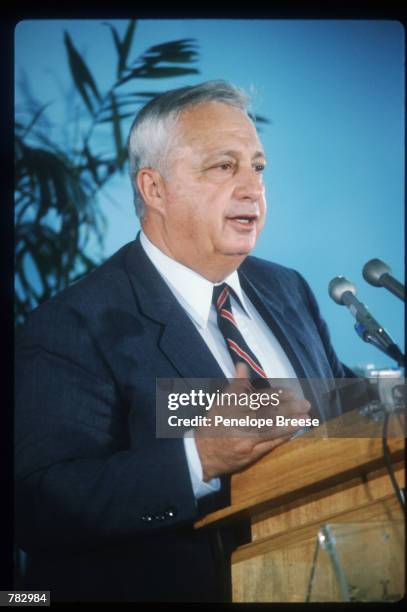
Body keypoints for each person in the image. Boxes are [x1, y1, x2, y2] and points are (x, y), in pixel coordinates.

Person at [15, 80, 361, 603]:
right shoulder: (75, 324)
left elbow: (336, 402)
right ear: (153, 189)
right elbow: (39, 504)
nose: (252, 189)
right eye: (224, 167)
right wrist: (198, 457)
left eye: (258, 167)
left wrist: (390, 402)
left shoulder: (286, 288)